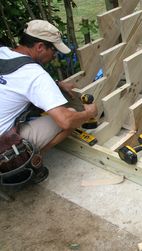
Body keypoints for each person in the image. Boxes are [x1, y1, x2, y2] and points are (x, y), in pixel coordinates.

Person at [0, 19, 98, 183]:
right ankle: (28, 163)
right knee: (71, 115)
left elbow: (16, 82)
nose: (54, 56)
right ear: (39, 47)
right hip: (3, 147)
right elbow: (65, 121)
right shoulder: (35, 75)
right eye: (54, 50)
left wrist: (56, 84)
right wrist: (89, 113)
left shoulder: (3, 52)